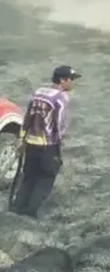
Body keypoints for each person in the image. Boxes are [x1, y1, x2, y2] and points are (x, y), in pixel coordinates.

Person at [11, 65, 82, 218]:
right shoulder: (61, 98)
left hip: (30, 143)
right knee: (45, 179)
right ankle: (30, 213)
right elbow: (60, 124)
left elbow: (27, 118)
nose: (72, 83)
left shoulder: (38, 93)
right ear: (63, 80)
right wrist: (59, 145)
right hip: (47, 145)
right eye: (71, 80)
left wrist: (22, 139)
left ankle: (16, 209)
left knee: (28, 178)